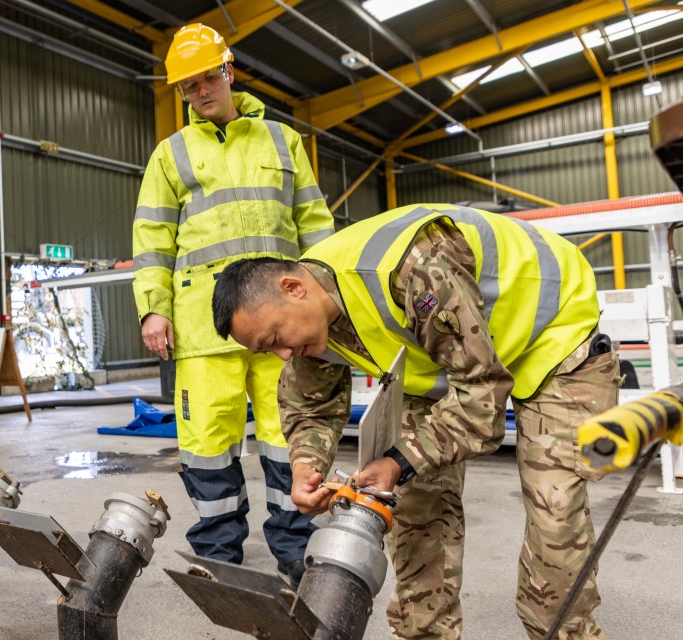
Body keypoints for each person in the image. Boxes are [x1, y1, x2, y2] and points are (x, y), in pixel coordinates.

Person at [211, 203, 621, 639]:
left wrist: (399, 459)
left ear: (293, 287)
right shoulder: (309, 320)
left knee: (554, 511)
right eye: (267, 350)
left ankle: (563, 632)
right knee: (414, 505)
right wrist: (306, 465)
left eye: (275, 339)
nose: (282, 355)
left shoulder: (412, 269)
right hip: (455, 362)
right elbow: (311, 406)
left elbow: (481, 400)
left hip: (555, 342)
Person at [131, 23, 334, 585]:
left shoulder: (281, 140)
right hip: (203, 328)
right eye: (188, 86)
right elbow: (151, 239)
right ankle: (218, 551)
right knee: (206, 445)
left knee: (285, 434)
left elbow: (314, 224)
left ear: (229, 70)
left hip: (281, 323)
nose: (200, 91)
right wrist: (154, 307)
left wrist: (327, 296)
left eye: (206, 78)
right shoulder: (170, 155)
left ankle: (294, 547)